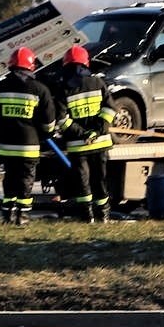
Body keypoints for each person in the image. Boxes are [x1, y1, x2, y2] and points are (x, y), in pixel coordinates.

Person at [0, 46, 56, 226]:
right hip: (29, 146)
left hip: (7, 145)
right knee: (26, 181)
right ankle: (22, 217)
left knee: (10, 180)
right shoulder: (40, 89)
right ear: (31, 66)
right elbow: (49, 124)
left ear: (11, 66)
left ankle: (7, 216)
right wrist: (44, 134)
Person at [53, 45, 116, 222]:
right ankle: (103, 215)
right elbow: (110, 109)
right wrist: (97, 130)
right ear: (86, 63)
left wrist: (83, 134)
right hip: (100, 142)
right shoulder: (98, 83)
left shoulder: (63, 89)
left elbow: (62, 120)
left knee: (83, 182)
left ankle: (87, 217)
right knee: (101, 180)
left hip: (78, 146)